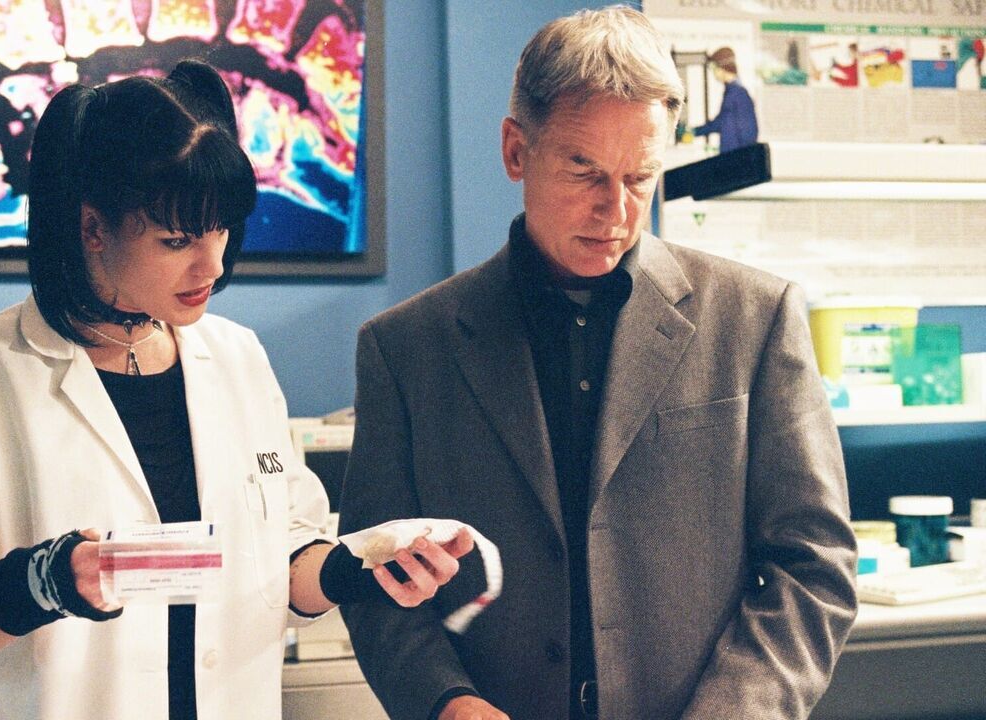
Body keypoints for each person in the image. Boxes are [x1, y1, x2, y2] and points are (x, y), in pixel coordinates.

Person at [0, 59, 471, 720]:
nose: (213, 265)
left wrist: (357, 570)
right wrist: (39, 585)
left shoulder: (237, 357)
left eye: (221, 230)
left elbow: (284, 561)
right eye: (177, 239)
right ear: (93, 228)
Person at [337, 7, 857, 720]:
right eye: (583, 169)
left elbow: (813, 565)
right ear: (516, 151)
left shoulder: (756, 319)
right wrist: (446, 702)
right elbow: (374, 582)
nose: (614, 211)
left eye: (640, 176)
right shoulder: (406, 348)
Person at [691, 46, 759, 154]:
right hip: (733, 155)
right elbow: (722, 122)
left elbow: (747, 132)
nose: (713, 72)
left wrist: (693, 132)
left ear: (722, 68)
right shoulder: (733, 91)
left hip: (735, 157)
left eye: (713, 68)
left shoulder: (737, 93)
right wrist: (693, 132)